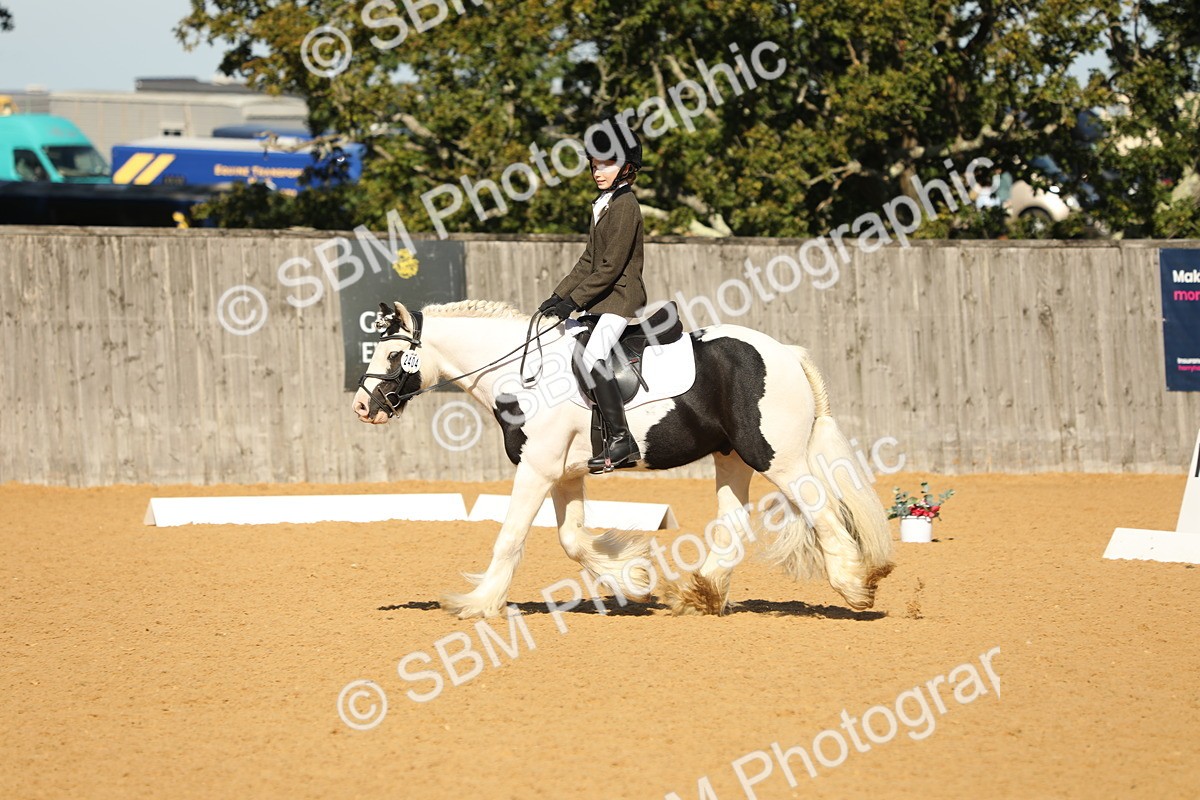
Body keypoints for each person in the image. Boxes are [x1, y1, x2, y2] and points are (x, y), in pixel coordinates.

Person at [537, 122, 646, 473]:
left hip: (620, 298)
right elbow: (588, 260)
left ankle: (621, 439)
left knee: (593, 356)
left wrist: (574, 302)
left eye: (607, 164)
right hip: (602, 299)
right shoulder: (603, 203)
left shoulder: (626, 205)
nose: (598, 171)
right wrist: (557, 296)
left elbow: (611, 266)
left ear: (626, 168)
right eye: (595, 164)